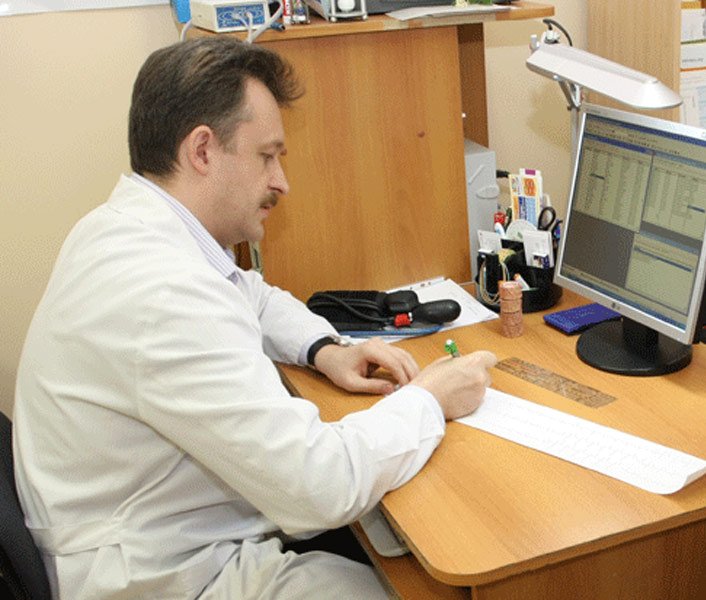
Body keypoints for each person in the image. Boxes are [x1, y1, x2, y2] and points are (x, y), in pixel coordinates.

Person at [13, 37, 497, 600]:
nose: (281, 182)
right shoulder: (163, 291)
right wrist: (430, 400)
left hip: (162, 529)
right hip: (165, 574)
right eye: (267, 156)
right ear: (202, 150)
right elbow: (320, 486)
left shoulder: (126, 228)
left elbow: (251, 295)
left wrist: (326, 349)